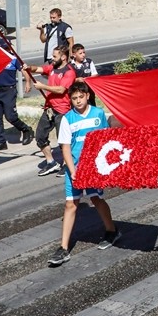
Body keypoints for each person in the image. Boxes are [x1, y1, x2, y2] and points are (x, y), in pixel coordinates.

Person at [50, 81, 121, 266]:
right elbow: (65, 148)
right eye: (74, 98)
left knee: (96, 199)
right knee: (71, 205)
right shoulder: (67, 119)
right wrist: (72, 171)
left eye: (81, 97)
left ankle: (112, 230)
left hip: (93, 168)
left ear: (87, 96)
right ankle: (63, 248)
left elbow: (106, 140)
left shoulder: (98, 114)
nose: (78, 101)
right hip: (75, 169)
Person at [27, 44, 76, 176]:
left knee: (63, 141)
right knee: (40, 137)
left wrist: (43, 86)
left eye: (55, 56)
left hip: (63, 111)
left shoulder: (69, 72)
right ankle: (51, 163)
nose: (52, 59)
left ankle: (67, 165)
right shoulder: (52, 68)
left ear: (64, 57)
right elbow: (38, 69)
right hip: (49, 109)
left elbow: (61, 90)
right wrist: (28, 68)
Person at [0, 37, 33, 152]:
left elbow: (24, 70)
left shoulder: (14, 59)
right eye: (5, 47)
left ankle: (26, 130)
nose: (7, 49)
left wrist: (28, 82)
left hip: (9, 91)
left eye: (8, 47)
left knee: (10, 116)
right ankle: (1, 141)